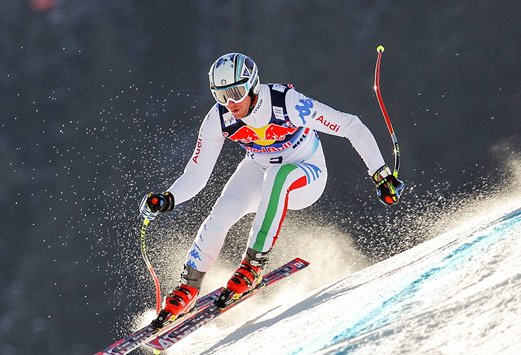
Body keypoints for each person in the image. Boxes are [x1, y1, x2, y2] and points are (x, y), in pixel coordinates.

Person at [139, 52, 404, 323]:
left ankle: (252, 266)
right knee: (223, 211)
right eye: (220, 96)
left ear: (253, 84)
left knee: (278, 175)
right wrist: (169, 197)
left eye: (236, 92)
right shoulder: (218, 119)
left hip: (306, 173)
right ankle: (189, 287)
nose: (230, 103)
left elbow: (350, 125)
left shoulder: (286, 103)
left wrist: (381, 175)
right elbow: (196, 175)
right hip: (259, 168)